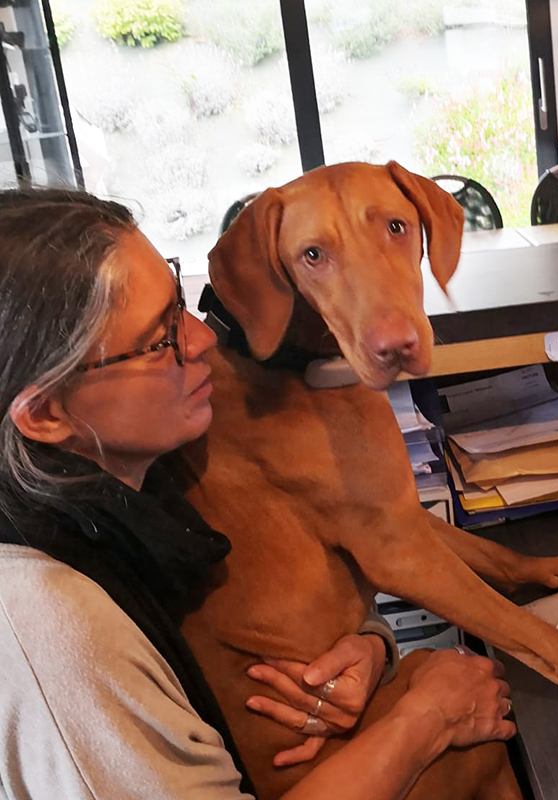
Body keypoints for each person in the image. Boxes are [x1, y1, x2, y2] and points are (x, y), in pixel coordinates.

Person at [0, 187, 515, 800]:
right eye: (160, 339)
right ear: (48, 414)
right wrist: (424, 720)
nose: (202, 340)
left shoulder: (130, 495)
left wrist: (369, 647)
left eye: (181, 305)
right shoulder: (55, 630)